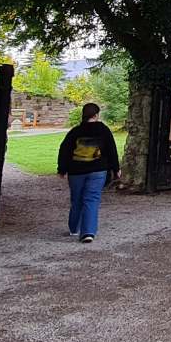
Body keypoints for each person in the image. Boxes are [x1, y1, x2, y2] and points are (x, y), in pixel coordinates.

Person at [57, 102, 120, 243]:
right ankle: (88, 232)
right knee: (92, 199)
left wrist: (62, 169)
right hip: (98, 170)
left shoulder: (75, 131)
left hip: (76, 170)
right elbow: (111, 150)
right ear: (96, 115)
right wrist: (116, 169)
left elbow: (65, 149)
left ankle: (74, 228)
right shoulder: (103, 130)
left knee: (76, 199)